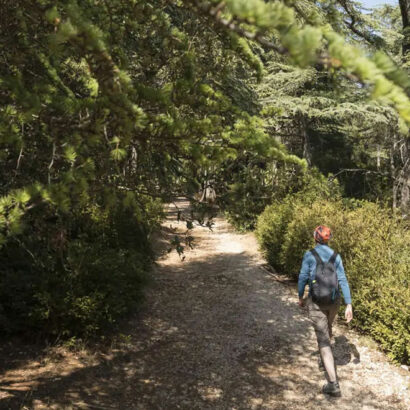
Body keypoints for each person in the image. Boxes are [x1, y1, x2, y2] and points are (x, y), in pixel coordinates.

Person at [298, 225, 353, 397]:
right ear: (328, 239)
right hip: (334, 302)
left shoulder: (309, 255)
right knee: (328, 325)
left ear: (315, 237)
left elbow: (302, 277)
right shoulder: (336, 256)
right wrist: (348, 304)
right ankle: (327, 350)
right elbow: (342, 279)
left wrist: (301, 296)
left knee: (323, 341)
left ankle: (333, 384)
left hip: (316, 302)